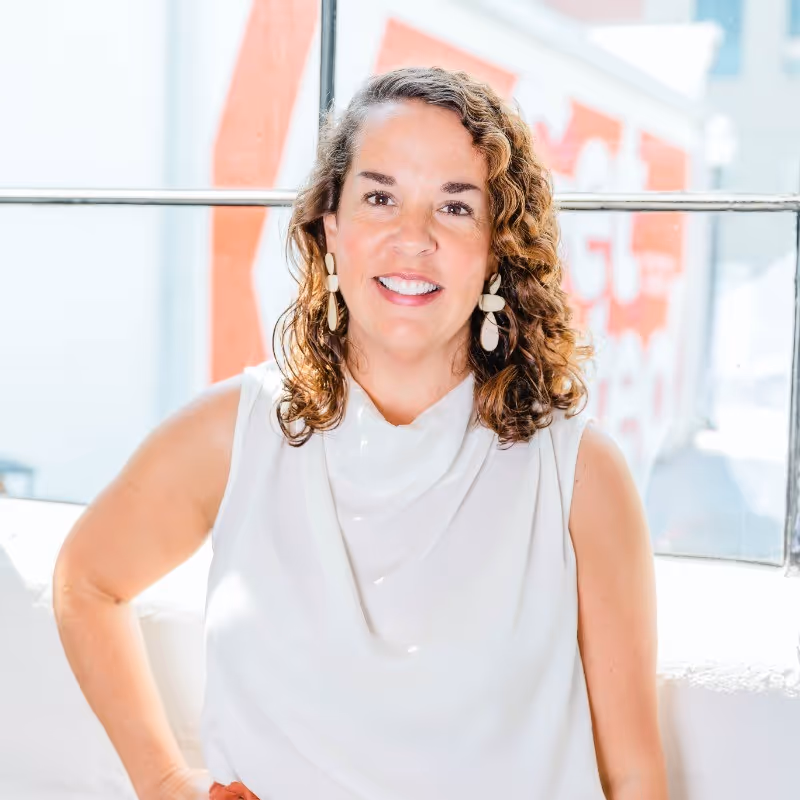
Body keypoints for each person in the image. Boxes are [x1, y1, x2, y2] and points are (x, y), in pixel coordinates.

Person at [53, 66, 667, 800]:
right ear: (331, 229)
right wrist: (161, 780)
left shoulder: (577, 476)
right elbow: (85, 580)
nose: (413, 238)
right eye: (380, 197)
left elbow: (633, 776)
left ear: (496, 248)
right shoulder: (233, 434)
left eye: (454, 206)